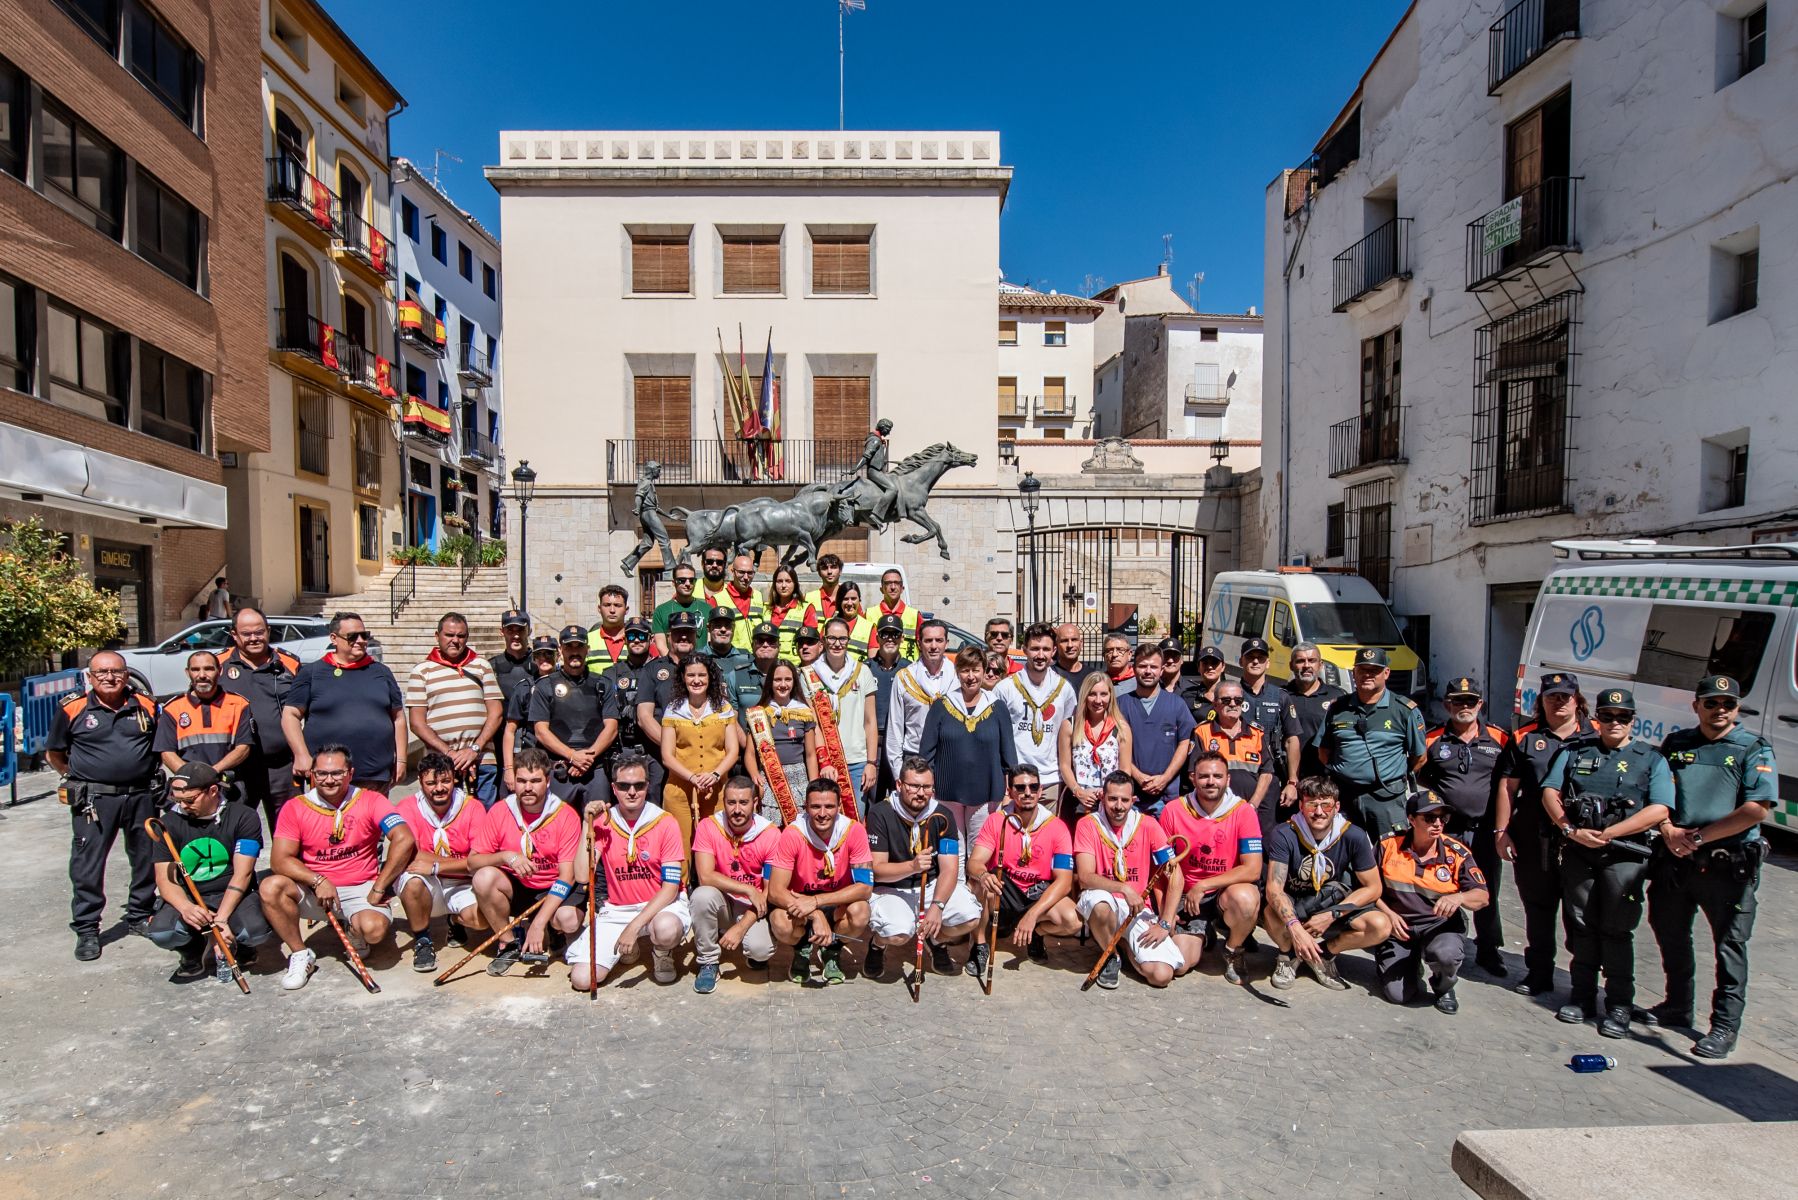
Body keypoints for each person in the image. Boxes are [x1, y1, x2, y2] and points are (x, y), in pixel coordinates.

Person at [1646, 675, 1776, 1059]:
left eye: (1728, 704)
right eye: (1711, 703)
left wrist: (1699, 838)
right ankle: (1677, 1004)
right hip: (1677, 861)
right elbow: (1659, 793)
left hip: (1727, 865)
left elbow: (1757, 809)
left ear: (1736, 709)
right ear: (1696, 706)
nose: (1719, 710)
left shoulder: (1753, 747)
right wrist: (1668, 830)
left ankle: (1724, 1025)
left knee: (1729, 946)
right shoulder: (1678, 744)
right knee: (1669, 931)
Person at [1538, 687, 1673, 1035]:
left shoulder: (1651, 759)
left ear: (1632, 721)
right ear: (1596, 719)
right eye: (1607, 717)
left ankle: (1618, 1005)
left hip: (1624, 855)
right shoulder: (1574, 752)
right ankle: (1581, 997)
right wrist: (1569, 829)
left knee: (1616, 930)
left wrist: (1613, 834)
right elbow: (1550, 792)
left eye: (1622, 717)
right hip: (1580, 850)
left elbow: (1659, 809)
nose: (1615, 723)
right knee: (1581, 925)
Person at [259, 744, 416, 990]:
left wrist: (380, 886)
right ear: (312, 774)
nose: (329, 780)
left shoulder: (371, 800)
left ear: (350, 773)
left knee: (374, 931)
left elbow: (404, 838)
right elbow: (279, 860)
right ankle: (300, 954)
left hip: (361, 886)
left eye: (337, 773)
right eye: (321, 773)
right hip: (315, 890)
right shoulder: (296, 807)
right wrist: (317, 880)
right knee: (270, 887)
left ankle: (353, 929)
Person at [48, 650, 161, 960]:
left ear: (126, 674)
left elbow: (160, 746)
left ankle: (139, 914)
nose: (110, 678)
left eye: (116, 672)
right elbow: (55, 753)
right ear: (90, 677)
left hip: (141, 795)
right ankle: (86, 929)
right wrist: (74, 777)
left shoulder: (147, 706)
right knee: (88, 864)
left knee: (146, 858)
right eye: (102, 673)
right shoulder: (73, 709)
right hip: (95, 800)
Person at [1495, 671, 1587, 998]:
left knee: (1581, 914)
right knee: (1538, 909)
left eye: (1565, 696)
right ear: (1541, 701)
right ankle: (1539, 973)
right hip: (1534, 838)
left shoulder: (1594, 737)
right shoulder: (1524, 738)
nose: (1559, 701)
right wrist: (1502, 831)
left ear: (1577, 699)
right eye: (1552, 696)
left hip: (1580, 843)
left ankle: (1583, 981)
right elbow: (1508, 787)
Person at [567, 751, 693, 988]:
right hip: (618, 909)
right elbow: (582, 875)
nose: (632, 792)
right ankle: (629, 948)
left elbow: (670, 889)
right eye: (624, 786)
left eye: (639, 785)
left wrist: (633, 927)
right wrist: (587, 823)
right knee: (582, 980)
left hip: (660, 906)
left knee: (666, 930)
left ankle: (662, 952)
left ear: (647, 786)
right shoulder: (603, 822)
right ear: (614, 788)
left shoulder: (665, 822)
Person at [145, 762, 273, 981]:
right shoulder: (167, 824)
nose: (183, 806)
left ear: (213, 791)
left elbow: (242, 874)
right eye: (177, 801)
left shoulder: (244, 816)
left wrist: (220, 921)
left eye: (189, 800)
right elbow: (164, 880)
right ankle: (191, 950)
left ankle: (241, 947)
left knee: (255, 932)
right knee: (163, 933)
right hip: (192, 895)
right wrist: (186, 907)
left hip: (232, 892)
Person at [1074, 772, 1202, 989]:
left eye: (1124, 800)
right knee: (1100, 904)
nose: (1118, 806)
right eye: (1113, 799)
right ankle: (1109, 955)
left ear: (1133, 801)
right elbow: (1085, 878)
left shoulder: (1148, 825)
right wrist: (1123, 888)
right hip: (1104, 898)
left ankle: (1123, 943)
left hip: (1137, 907)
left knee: (1161, 976)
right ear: (1103, 798)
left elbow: (1175, 876)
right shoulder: (1088, 824)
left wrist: (1165, 922)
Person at [1261, 777, 1391, 991]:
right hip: (1296, 901)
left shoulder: (1354, 835)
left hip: (1330, 902)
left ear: (1336, 807)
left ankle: (1324, 955)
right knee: (1271, 911)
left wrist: (1332, 915)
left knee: (1380, 925)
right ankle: (1288, 955)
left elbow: (1374, 887)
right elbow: (1274, 888)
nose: (1319, 812)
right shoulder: (1284, 833)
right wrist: (1295, 928)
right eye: (1312, 804)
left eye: (1326, 804)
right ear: (1301, 806)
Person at [1420, 677, 1512, 976]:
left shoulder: (1500, 739)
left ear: (1480, 704)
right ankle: (1441, 943)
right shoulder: (1433, 739)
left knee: (1486, 888)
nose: (1464, 706)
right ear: (1447, 704)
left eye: (1470, 701)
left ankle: (1488, 949)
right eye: (1458, 701)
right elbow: (1420, 777)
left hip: (1485, 830)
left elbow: (1510, 783)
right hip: (1447, 829)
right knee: (1441, 884)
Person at [468, 748, 586, 976]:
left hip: (554, 887)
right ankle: (508, 942)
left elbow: (567, 876)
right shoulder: (501, 810)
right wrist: (506, 856)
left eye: (535, 781)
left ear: (548, 781)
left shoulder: (565, 815)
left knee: (569, 920)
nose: (528, 788)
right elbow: (472, 863)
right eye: (522, 781)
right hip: (519, 886)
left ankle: (553, 930)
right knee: (483, 877)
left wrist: (539, 923)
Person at [864, 756, 983, 979]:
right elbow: (877, 869)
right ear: (899, 785)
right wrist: (912, 866)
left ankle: (935, 940)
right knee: (898, 932)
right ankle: (878, 944)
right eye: (914, 786)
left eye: (927, 787)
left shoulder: (943, 815)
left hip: (931, 886)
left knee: (970, 916)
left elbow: (949, 869)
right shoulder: (880, 813)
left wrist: (937, 907)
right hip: (892, 887)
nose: (921, 793)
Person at [1372, 790, 1489, 1013]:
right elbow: (1367, 888)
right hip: (1400, 927)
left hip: (1439, 926)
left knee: (1445, 956)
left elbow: (1482, 897)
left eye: (1442, 818)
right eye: (1429, 818)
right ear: (1411, 819)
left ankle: (1444, 986)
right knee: (1398, 995)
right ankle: (1409, 963)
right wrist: (1387, 913)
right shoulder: (1388, 846)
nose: (1437, 824)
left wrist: (1459, 897)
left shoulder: (1457, 853)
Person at [1156, 753, 1263, 984]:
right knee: (1181, 964)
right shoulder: (1173, 810)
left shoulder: (1243, 811)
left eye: (1217, 776)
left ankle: (1234, 949)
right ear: (1193, 778)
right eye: (1204, 776)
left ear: (1228, 779)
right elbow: (1162, 869)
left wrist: (1205, 885)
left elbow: (1253, 869)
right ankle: (1205, 933)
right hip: (1188, 897)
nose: (1211, 781)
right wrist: (1167, 912)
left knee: (1246, 898)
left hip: (1224, 892)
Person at [966, 764, 1082, 977]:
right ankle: (980, 945)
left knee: (1073, 920)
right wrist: (983, 875)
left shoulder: (1056, 827)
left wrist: (1032, 916)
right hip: (1004, 889)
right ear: (1010, 792)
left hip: (1037, 892)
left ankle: (1036, 933)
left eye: (1032, 787)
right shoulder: (997, 820)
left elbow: (1064, 882)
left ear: (1040, 791)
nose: (1027, 793)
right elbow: (974, 863)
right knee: (975, 885)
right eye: (1020, 788)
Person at [282, 612, 408, 793]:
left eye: (364, 635)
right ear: (334, 638)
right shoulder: (312, 673)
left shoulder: (382, 672)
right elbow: (290, 715)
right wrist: (301, 754)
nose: (360, 640)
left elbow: (398, 718)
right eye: (352, 636)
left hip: (374, 776)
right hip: (328, 777)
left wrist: (401, 759)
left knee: (369, 822)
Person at [1311, 647, 1426, 842]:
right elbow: (1324, 751)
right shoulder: (1338, 708)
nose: (1367, 675)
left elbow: (1420, 757)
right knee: (1342, 855)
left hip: (1386, 798)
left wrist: (1394, 776)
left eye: (1374, 670)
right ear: (1354, 672)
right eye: (1362, 670)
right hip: (1344, 796)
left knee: (1390, 855)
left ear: (1386, 673)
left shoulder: (1404, 710)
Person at [766, 778, 874, 983]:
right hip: (799, 905)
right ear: (805, 807)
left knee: (860, 912)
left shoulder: (854, 830)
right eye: (815, 806)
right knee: (780, 922)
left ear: (839, 807)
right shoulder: (793, 833)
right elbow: (775, 891)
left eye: (829, 806)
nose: (822, 814)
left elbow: (865, 889)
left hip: (834, 903)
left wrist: (817, 902)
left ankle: (831, 950)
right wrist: (815, 914)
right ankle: (801, 949)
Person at [690, 773, 783, 992]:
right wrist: (747, 888)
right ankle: (708, 961)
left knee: (760, 951)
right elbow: (705, 876)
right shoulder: (708, 826)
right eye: (731, 803)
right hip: (721, 898)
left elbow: (769, 893)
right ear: (724, 803)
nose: (737, 810)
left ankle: (745, 942)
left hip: (754, 906)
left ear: (755, 803)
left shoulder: (770, 834)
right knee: (701, 896)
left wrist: (741, 928)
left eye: (743, 802)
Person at [394, 751, 485, 973]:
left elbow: (478, 861)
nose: (439, 788)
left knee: (483, 920)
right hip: (425, 880)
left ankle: (455, 920)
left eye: (445, 780)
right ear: (420, 782)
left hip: (462, 882)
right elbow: (409, 855)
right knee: (411, 881)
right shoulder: (407, 807)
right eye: (431, 782)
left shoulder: (473, 807)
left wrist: (437, 865)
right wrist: (460, 862)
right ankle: (423, 939)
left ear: (454, 778)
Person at [921, 644, 1017, 847]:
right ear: (957, 673)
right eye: (965, 670)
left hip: (986, 794)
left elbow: (1008, 755)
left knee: (979, 848)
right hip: (947, 791)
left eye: (976, 670)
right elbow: (926, 753)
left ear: (983, 671)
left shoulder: (997, 707)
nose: (971, 676)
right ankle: (956, 881)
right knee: (951, 847)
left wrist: (1009, 792)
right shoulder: (942, 706)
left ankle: (974, 881)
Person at [218, 607, 303, 834]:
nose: (254, 638)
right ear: (234, 635)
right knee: (234, 829)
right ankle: (242, 871)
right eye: (246, 634)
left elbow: (310, 711)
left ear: (268, 631)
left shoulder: (289, 664)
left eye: (259, 632)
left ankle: (285, 870)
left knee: (288, 831)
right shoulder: (218, 666)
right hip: (238, 768)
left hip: (283, 766)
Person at [406, 612, 504, 806]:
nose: (455, 640)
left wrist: (474, 749)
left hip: (482, 760)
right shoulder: (422, 671)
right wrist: (450, 754)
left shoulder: (481, 666)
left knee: (485, 822)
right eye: (449, 635)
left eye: (461, 636)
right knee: (447, 821)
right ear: (437, 636)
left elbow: (496, 712)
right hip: (441, 763)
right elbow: (417, 724)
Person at [660, 655, 743, 853]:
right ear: (683, 677)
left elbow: (732, 751)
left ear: (710, 678)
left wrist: (714, 775)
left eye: (701, 675)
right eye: (691, 675)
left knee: (717, 846)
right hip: (679, 790)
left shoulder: (724, 708)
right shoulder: (673, 709)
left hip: (716, 790)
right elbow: (667, 756)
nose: (696, 680)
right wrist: (692, 777)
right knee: (679, 848)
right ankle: (681, 884)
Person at [528, 625, 617, 806]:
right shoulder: (545, 686)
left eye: (579, 647)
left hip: (595, 769)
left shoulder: (602, 684)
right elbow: (541, 731)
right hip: (559, 770)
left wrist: (586, 758)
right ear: (560, 650)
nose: (574, 652)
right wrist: (572, 756)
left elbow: (612, 727)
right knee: (557, 827)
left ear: (587, 650)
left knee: (598, 828)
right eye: (569, 647)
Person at [802, 615, 883, 805]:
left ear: (849, 640)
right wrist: (825, 761)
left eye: (842, 639)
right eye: (832, 638)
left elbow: (870, 721)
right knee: (825, 820)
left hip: (857, 762)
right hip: (824, 762)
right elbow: (813, 725)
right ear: (823, 640)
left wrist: (871, 763)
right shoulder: (809, 675)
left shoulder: (862, 672)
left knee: (854, 820)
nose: (837, 644)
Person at [997, 623, 1072, 812]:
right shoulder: (1006, 688)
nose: (1040, 655)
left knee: (1046, 836)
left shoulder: (1064, 689)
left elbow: (1067, 734)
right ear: (1024, 650)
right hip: (1016, 779)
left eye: (1046, 649)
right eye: (1035, 649)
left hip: (1050, 778)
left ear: (1054, 651)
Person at [1191, 679, 1276, 840]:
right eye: (1226, 700)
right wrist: (1216, 808)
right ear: (1215, 704)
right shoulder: (1202, 732)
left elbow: (1267, 772)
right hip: (1214, 812)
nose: (1232, 704)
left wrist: (1252, 805)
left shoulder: (1256, 733)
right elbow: (1193, 774)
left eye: (1237, 700)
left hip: (1252, 811)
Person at [1118, 645, 1195, 815]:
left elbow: (1184, 743)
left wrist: (1165, 778)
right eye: (1142, 666)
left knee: (1166, 842)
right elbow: (1113, 747)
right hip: (1129, 797)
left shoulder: (1176, 705)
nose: (1147, 671)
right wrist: (1137, 776)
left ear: (1161, 670)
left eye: (1153, 667)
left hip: (1166, 797)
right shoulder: (1120, 705)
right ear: (1133, 668)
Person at [154, 651, 253, 779]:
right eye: (195, 670)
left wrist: (212, 772)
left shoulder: (239, 704)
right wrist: (192, 778)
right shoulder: (173, 708)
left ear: (220, 671)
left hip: (229, 783)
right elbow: (167, 753)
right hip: (190, 786)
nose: (202, 675)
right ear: (187, 672)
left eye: (208, 669)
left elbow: (243, 748)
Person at [745, 661, 817, 823]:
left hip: (799, 778)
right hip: (769, 778)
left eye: (788, 679)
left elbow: (811, 754)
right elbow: (749, 754)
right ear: (770, 682)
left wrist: (813, 786)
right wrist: (755, 775)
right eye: (778, 680)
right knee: (771, 828)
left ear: (794, 682)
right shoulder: (758, 713)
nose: (783, 684)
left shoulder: (804, 712)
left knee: (797, 829)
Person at [1059, 672, 1134, 828]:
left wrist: (1108, 792)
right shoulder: (1069, 725)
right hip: (1076, 800)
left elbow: (1125, 769)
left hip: (1108, 802)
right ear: (1085, 696)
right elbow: (1065, 766)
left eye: (1103, 694)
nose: (1098, 700)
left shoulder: (1121, 728)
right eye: (1092, 694)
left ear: (1110, 696)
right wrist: (1078, 791)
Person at [885, 618, 955, 781]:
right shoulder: (904, 677)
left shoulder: (958, 676)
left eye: (939, 640)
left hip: (950, 756)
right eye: (928, 640)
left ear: (946, 643)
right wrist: (897, 773)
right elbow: (895, 728)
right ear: (919, 643)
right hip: (914, 757)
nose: (933, 646)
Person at [600, 618, 663, 799]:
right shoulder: (611, 673)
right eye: (632, 635)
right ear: (625, 640)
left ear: (650, 639)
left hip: (653, 751)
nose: (636, 640)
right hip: (623, 749)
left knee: (654, 804)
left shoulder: (661, 670)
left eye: (641, 636)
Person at [1280, 642, 1347, 809]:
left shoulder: (1338, 696)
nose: (1306, 666)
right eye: (1300, 661)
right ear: (1291, 665)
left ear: (1320, 665)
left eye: (1312, 660)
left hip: (1324, 780)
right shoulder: (1280, 696)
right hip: (1287, 779)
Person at [502, 634, 560, 795]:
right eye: (539, 654)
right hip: (529, 758)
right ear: (533, 658)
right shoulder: (524, 688)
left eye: (549, 653)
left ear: (558, 655)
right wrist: (508, 769)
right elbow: (510, 730)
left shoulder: (568, 686)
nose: (544, 658)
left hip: (558, 759)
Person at [866, 614, 912, 800]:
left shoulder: (910, 670)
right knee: (872, 796)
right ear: (877, 638)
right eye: (885, 634)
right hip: (873, 743)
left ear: (902, 638)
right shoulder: (865, 668)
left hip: (899, 743)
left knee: (900, 795)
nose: (890, 638)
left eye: (895, 634)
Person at [837, 417, 898, 529]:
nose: (889, 432)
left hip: (879, 471)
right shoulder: (875, 440)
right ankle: (876, 514)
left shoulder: (877, 440)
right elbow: (866, 456)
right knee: (893, 489)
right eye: (888, 429)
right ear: (883, 428)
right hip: (874, 472)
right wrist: (856, 468)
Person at [620, 459, 674, 575]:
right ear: (653, 470)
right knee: (664, 540)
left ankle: (627, 564)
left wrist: (668, 516)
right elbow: (638, 496)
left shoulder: (649, 483)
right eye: (658, 471)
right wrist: (637, 508)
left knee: (648, 543)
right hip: (648, 514)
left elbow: (655, 507)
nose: (660, 474)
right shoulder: (646, 482)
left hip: (648, 513)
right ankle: (670, 568)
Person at [650, 562, 713, 656]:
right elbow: (661, 646)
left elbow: (710, 642)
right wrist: (675, 665)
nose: (687, 584)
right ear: (673, 582)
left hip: (700, 665)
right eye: (682, 580)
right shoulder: (661, 611)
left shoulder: (707, 609)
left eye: (691, 580)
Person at [807, 580, 875, 662]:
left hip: (858, 673)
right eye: (845, 599)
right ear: (839, 601)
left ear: (859, 600)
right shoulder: (828, 623)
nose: (850, 603)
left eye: (853, 599)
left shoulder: (869, 627)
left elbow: (872, 661)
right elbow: (820, 654)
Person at [488, 609, 537, 720]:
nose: (516, 635)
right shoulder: (491, 667)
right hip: (502, 732)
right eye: (510, 630)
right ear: (502, 631)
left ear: (529, 631)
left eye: (520, 630)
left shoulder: (541, 665)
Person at [731, 621, 782, 718]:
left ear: (779, 646)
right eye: (760, 641)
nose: (765, 645)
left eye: (771, 641)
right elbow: (731, 719)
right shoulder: (736, 676)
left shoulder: (790, 675)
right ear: (752, 645)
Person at [717, 554, 768, 651]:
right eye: (741, 572)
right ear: (732, 572)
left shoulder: (758, 596)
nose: (746, 577)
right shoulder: (718, 599)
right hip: (732, 657)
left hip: (756, 657)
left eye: (750, 573)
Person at [871, 568, 922, 659]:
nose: (893, 587)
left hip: (909, 670)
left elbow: (924, 646)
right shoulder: (869, 614)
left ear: (902, 589)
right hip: (879, 669)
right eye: (888, 583)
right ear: (881, 589)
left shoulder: (914, 615)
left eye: (896, 583)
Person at [702, 606, 755, 692]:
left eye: (728, 626)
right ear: (708, 628)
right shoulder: (698, 657)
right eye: (718, 625)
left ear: (733, 629)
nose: (723, 629)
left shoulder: (746, 658)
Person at [763, 564, 808, 662]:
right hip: (768, 665)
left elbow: (810, 644)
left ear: (795, 584)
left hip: (794, 666)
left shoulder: (806, 608)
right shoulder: (765, 609)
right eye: (779, 581)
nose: (783, 586)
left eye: (788, 581)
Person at [584, 585, 633, 674]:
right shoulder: (587, 640)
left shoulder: (636, 639)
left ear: (626, 609)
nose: (612, 610)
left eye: (617, 605)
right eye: (607, 605)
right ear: (599, 609)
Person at [1180, 644, 1227, 724]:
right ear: (1198, 668)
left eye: (1214, 663)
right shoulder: (1188, 696)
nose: (1210, 667)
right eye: (1205, 663)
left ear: (1223, 667)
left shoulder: (1233, 694)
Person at [800, 553, 844, 625]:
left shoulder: (848, 598)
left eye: (833, 567)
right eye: (824, 568)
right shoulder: (808, 598)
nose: (829, 572)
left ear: (840, 571)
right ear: (819, 573)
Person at [1053, 622, 1097, 692]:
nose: (1070, 645)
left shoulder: (1093, 675)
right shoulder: (1049, 674)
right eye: (1064, 641)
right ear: (1056, 645)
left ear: (1081, 643)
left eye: (1074, 640)